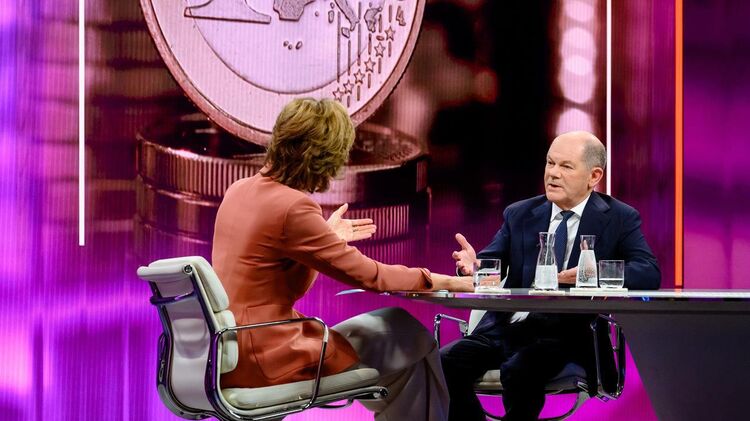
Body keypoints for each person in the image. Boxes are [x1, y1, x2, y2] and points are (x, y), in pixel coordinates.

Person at [212, 98, 473, 420]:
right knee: (406, 331)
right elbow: (372, 276)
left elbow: (276, 278)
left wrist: (327, 239)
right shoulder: (292, 207)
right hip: (265, 354)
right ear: (324, 157)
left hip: (230, 351)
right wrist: (444, 281)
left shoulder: (239, 190)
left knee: (400, 341)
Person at [441, 131, 661, 420]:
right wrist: (473, 267)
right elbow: (490, 263)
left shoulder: (619, 217)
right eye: (550, 163)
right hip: (507, 328)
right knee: (446, 362)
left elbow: (648, 272)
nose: (553, 174)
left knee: (520, 369)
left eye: (566, 166)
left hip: (567, 335)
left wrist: (591, 274)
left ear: (594, 176)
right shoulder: (520, 213)